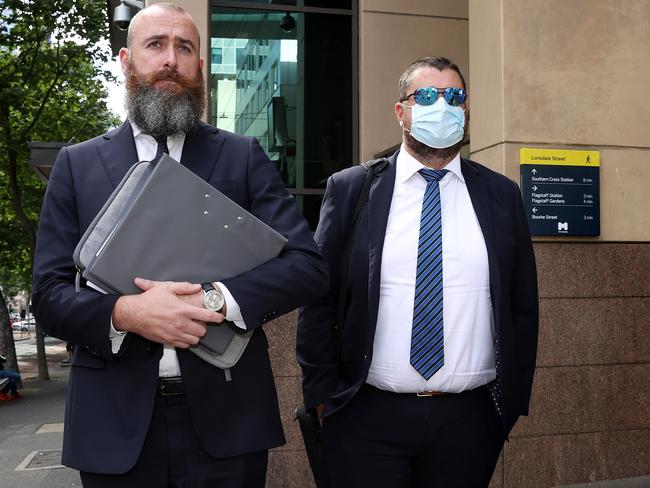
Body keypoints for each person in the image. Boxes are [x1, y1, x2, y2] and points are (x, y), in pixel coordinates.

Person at [32, 4, 328, 487]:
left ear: (199, 68)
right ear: (127, 61)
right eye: (156, 45)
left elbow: (307, 267)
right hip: (115, 427)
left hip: (228, 423)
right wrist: (128, 313)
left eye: (184, 48)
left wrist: (213, 301)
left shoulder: (242, 157)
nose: (171, 59)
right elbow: (48, 294)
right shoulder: (77, 165)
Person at [297, 56, 539, 487]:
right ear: (400, 111)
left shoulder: (501, 196)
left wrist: (510, 404)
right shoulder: (351, 189)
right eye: (426, 96)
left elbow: (522, 305)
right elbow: (320, 300)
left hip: (470, 420)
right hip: (366, 416)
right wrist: (322, 398)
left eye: (454, 97)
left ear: (466, 111)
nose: (442, 106)